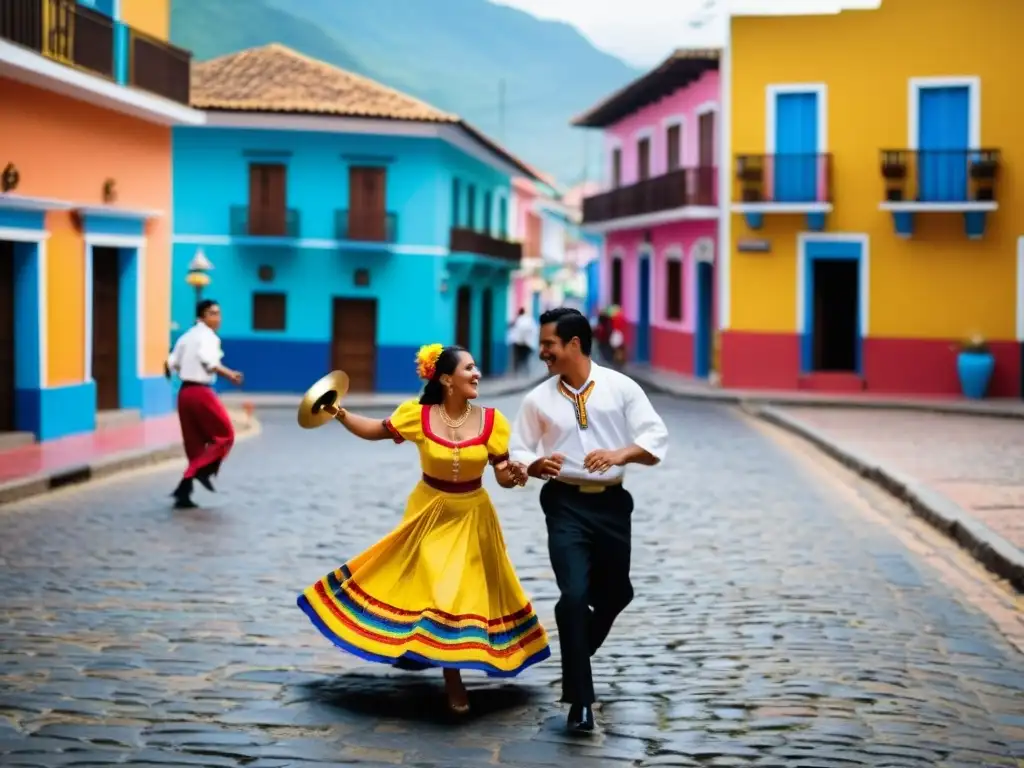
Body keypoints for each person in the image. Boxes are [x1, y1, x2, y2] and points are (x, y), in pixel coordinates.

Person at [296, 344, 551, 715]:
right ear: (447, 379)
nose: (477, 373)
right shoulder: (418, 416)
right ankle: (452, 678)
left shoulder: (493, 421)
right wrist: (338, 412)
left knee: (459, 596)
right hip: (429, 514)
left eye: (476, 367)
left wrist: (514, 475)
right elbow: (374, 430)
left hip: (474, 518)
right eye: (469, 368)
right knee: (439, 592)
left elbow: (501, 474)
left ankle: (446, 667)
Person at [509, 307, 668, 733]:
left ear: (574, 345)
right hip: (563, 504)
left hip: (614, 505)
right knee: (574, 595)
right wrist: (536, 464)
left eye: (549, 345)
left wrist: (621, 453)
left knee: (617, 593)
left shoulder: (621, 388)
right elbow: (518, 449)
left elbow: (654, 437)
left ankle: (577, 652)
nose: (542, 352)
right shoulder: (537, 399)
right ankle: (580, 700)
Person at [165, 299, 244, 509]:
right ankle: (199, 473)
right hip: (201, 392)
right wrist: (231, 375)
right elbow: (210, 362)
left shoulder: (185, 336)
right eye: (212, 313)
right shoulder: (208, 337)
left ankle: (184, 493)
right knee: (225, 435)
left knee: (194, 444)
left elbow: (170, 363)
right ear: (202, 317)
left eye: (218, 313)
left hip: (184, 393)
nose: (217, 318)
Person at [507, 307, 536, 375]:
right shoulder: (529, 320)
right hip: (527, 343)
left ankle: (516, 372)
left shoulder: (518, 320)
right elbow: (534, 330)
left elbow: (514, 330)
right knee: (525, 359)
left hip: (518, 343)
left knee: (517, 359)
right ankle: (526, 372)